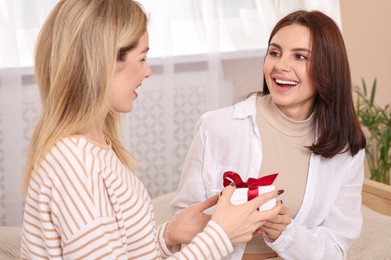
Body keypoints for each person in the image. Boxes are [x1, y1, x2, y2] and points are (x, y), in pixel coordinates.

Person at [20, 0, 284, 259]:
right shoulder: (74, 163)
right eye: (142, 57)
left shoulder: (93, 148)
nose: (147, 72)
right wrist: (220, 235)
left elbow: (119, 246)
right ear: (103, 62)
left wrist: (168, 235)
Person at [171, 10, 366, 260]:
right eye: (275, 52)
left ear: (328, 69)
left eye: (300, 56)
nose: (280, 66)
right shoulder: (217, 127)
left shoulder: (346, 150)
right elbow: (184, 221)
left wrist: (286, 234)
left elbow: (335, 248)